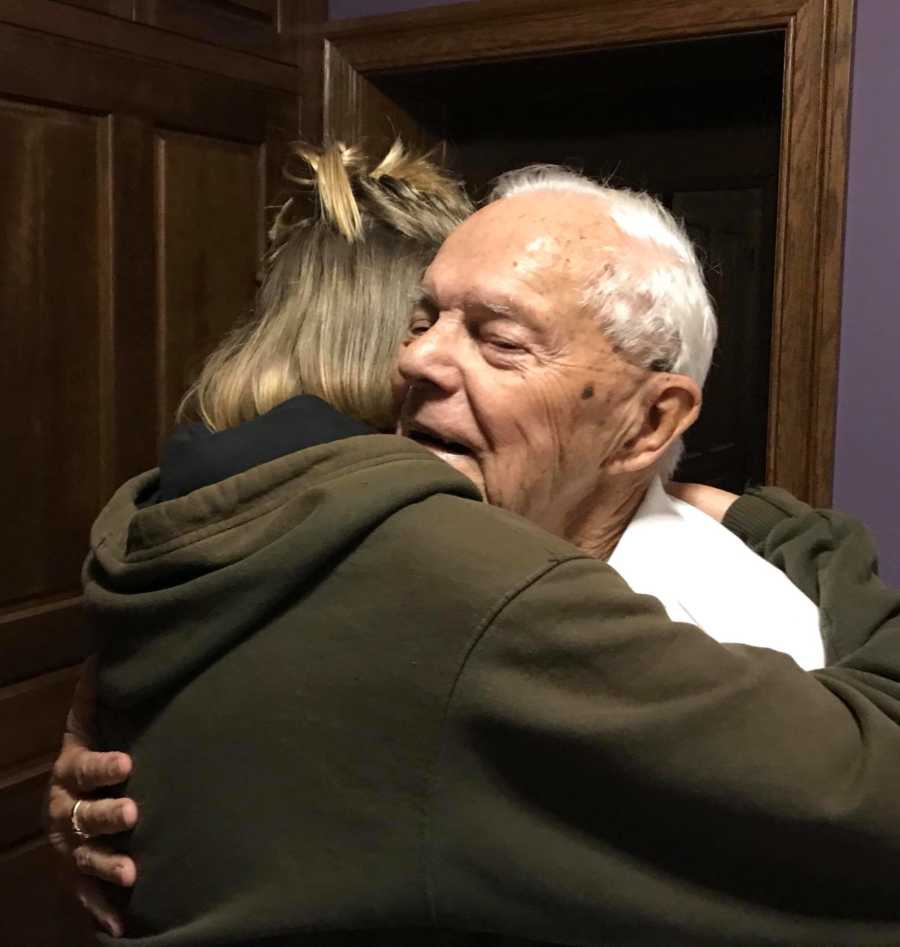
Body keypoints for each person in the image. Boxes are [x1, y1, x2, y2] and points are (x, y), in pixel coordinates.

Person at [51, 150, 900, 943]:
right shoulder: (411, 564)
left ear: (649, 421)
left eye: (501, 341)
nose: (418, 358)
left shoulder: (750, 614)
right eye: (420, 320)